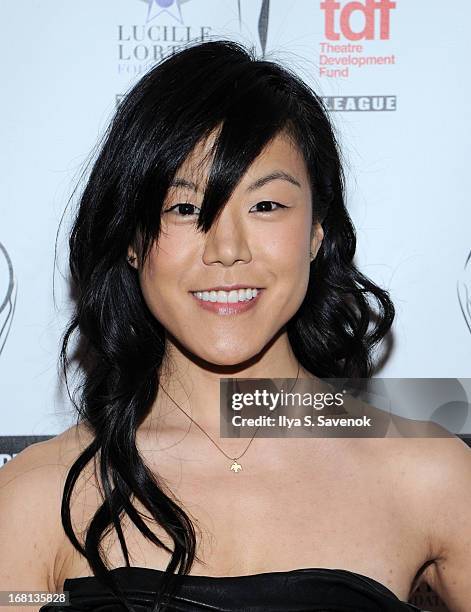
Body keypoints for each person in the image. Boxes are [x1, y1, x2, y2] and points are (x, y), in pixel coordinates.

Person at [1, 39, 470, 612]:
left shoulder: (430, 474)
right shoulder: (39, 494)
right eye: (185, 208)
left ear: (318, 229)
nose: (227, 249)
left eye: (266, 206)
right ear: (130, 238)